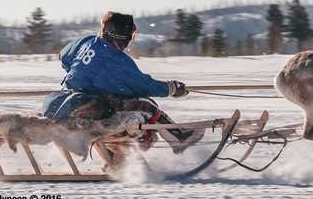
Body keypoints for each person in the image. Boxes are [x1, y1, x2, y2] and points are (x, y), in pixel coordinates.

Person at [41, 11, 202, 154]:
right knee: (146, 105)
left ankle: (116, 158)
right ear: (121, 36)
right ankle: (178, 138)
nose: (130, 41)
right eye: (130, 35)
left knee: (118, 101)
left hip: (69, 98)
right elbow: (142, 85)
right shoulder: (115, 59)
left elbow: (64, 57)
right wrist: (172, 88)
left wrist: (83, 75)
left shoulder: (88, 41)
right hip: (89, 106)